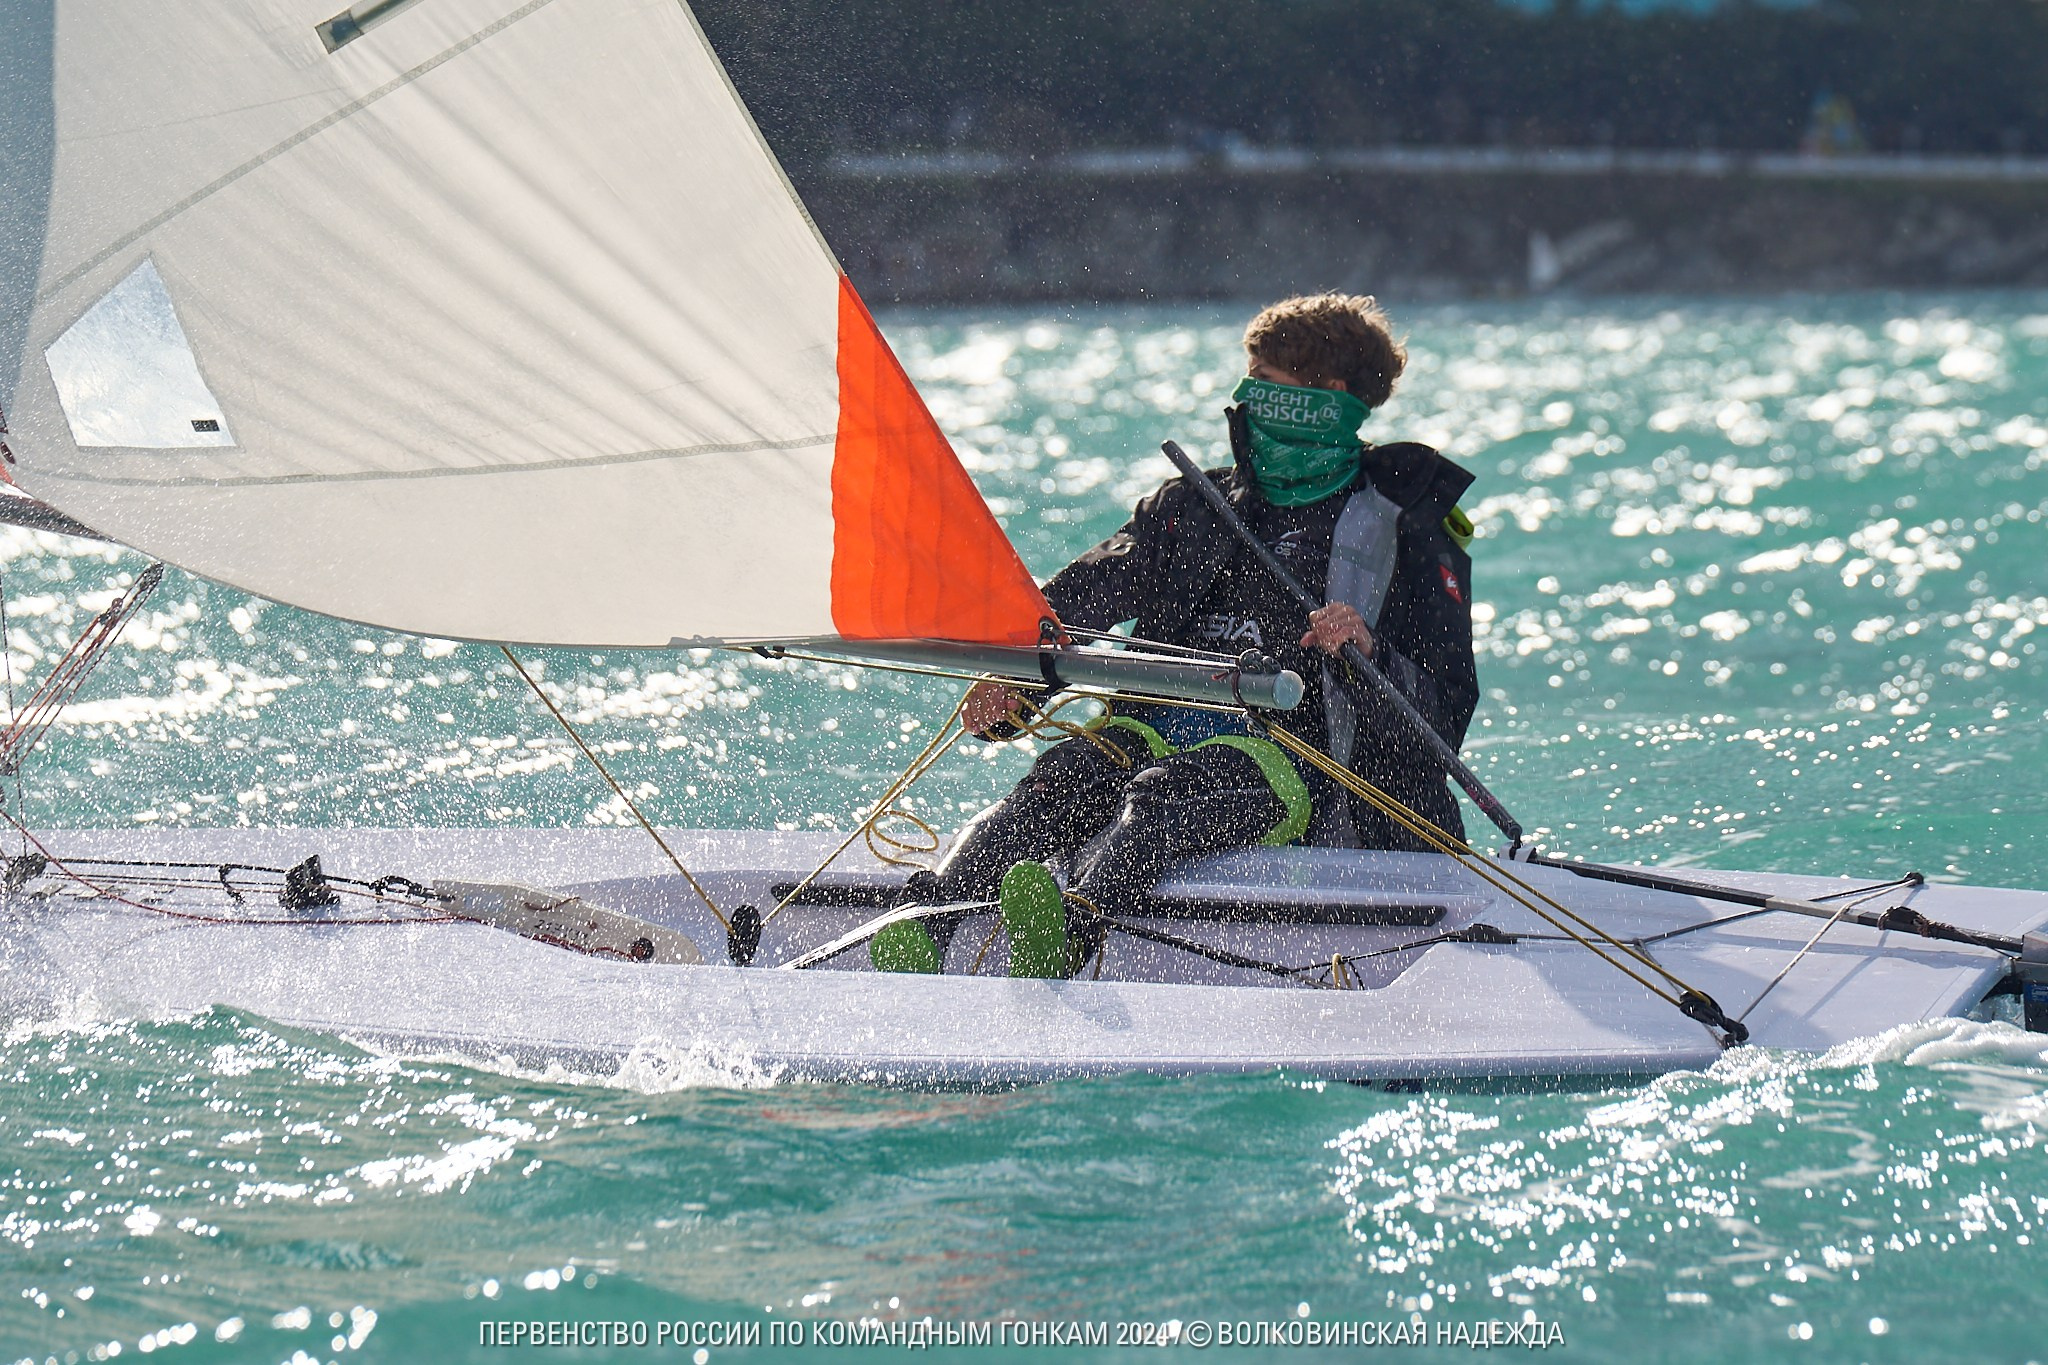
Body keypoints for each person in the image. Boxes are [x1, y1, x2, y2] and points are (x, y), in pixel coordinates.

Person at [871, 293, 1479, 978]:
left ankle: (1073, 932)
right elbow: (1075, 603)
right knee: (1054, 787)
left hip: (1289, 762)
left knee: (1160, 797)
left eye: (1268, 383)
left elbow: (1442, 715)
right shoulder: (1189, 507)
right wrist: (1013, 683)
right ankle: (924, 926)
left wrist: (1369, 650)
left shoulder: (1410, 528)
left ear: (1329, 394)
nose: (1247, 398)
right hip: (1149, 728)